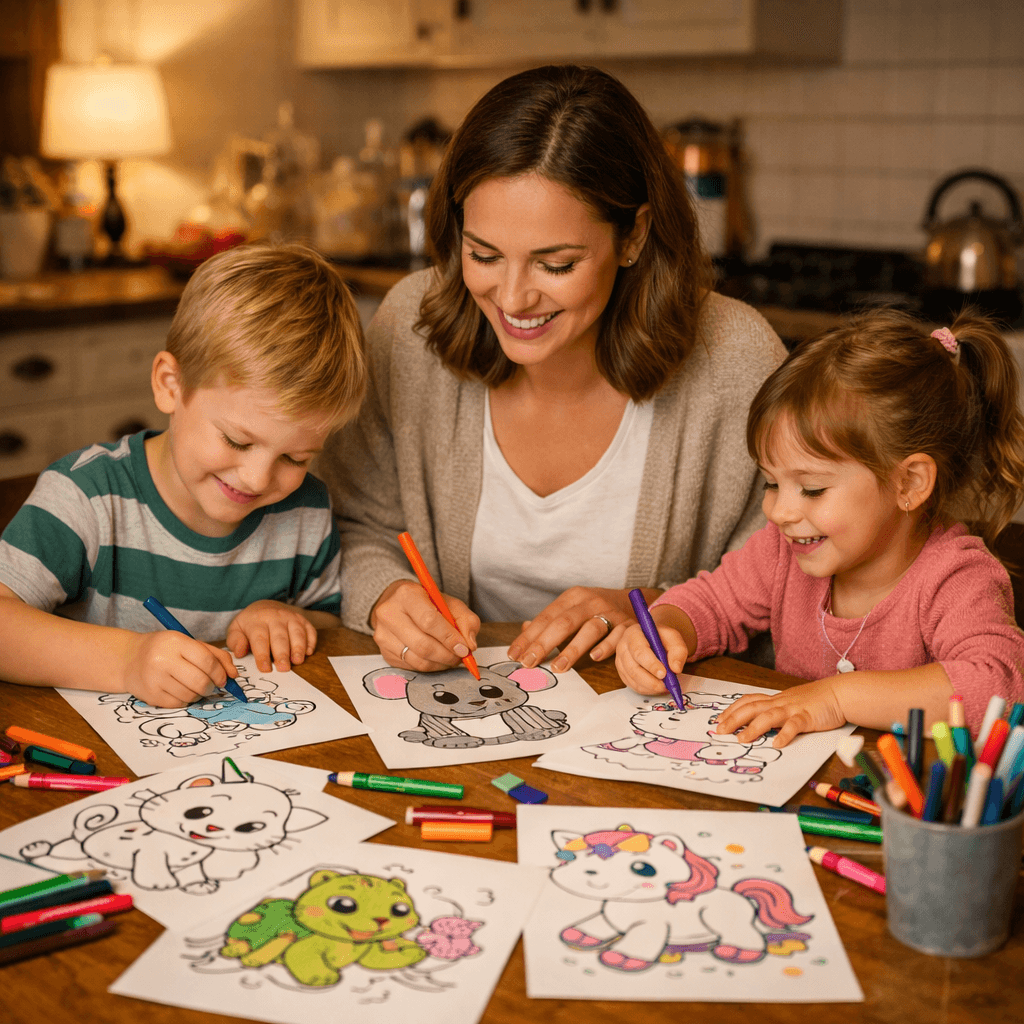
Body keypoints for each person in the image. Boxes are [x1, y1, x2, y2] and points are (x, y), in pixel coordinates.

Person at [321, 64, 786, 676]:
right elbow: (351, 523)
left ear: (633, 236)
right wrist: (386, 593)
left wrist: (657, 610)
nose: (513, 299)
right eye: (483, 254)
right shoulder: (410, 328)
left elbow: (793, 582)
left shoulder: (735, 360)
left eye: (556, 265)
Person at [616, 307, 1024, 744]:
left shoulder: (957, 577)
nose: (780, 512)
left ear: (908, 482)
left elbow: (996, 688)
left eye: (811, 489)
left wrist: (835, 698)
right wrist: (664, 630)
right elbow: (710, 602)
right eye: (772, 483)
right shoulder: (781, 552)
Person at [0, 243, 366, 707]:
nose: (257, 479)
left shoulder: (305, 512)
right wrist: (128, 661)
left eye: (295, 458)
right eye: (237, 441)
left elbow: (333, 621)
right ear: (170, 386)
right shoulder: (86, 497)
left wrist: (287, 618)